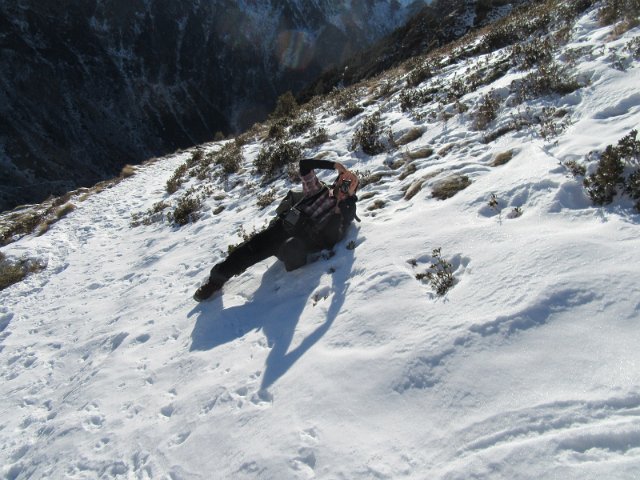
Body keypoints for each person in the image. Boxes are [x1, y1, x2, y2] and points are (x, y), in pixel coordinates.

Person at [193, 158, 360, 301]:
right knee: (249, 248)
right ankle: (215, 281)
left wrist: (340, 206)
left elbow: (331, 238)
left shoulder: (344, 211)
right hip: (282, 229)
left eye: (350, 184)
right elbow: (305, 165)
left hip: (299, 245)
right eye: (344, 180)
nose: (344, 185)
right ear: (338, 179)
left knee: (292, 246)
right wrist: (334, 165)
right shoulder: (318, 190)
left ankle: (291, 278)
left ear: (353, 191)